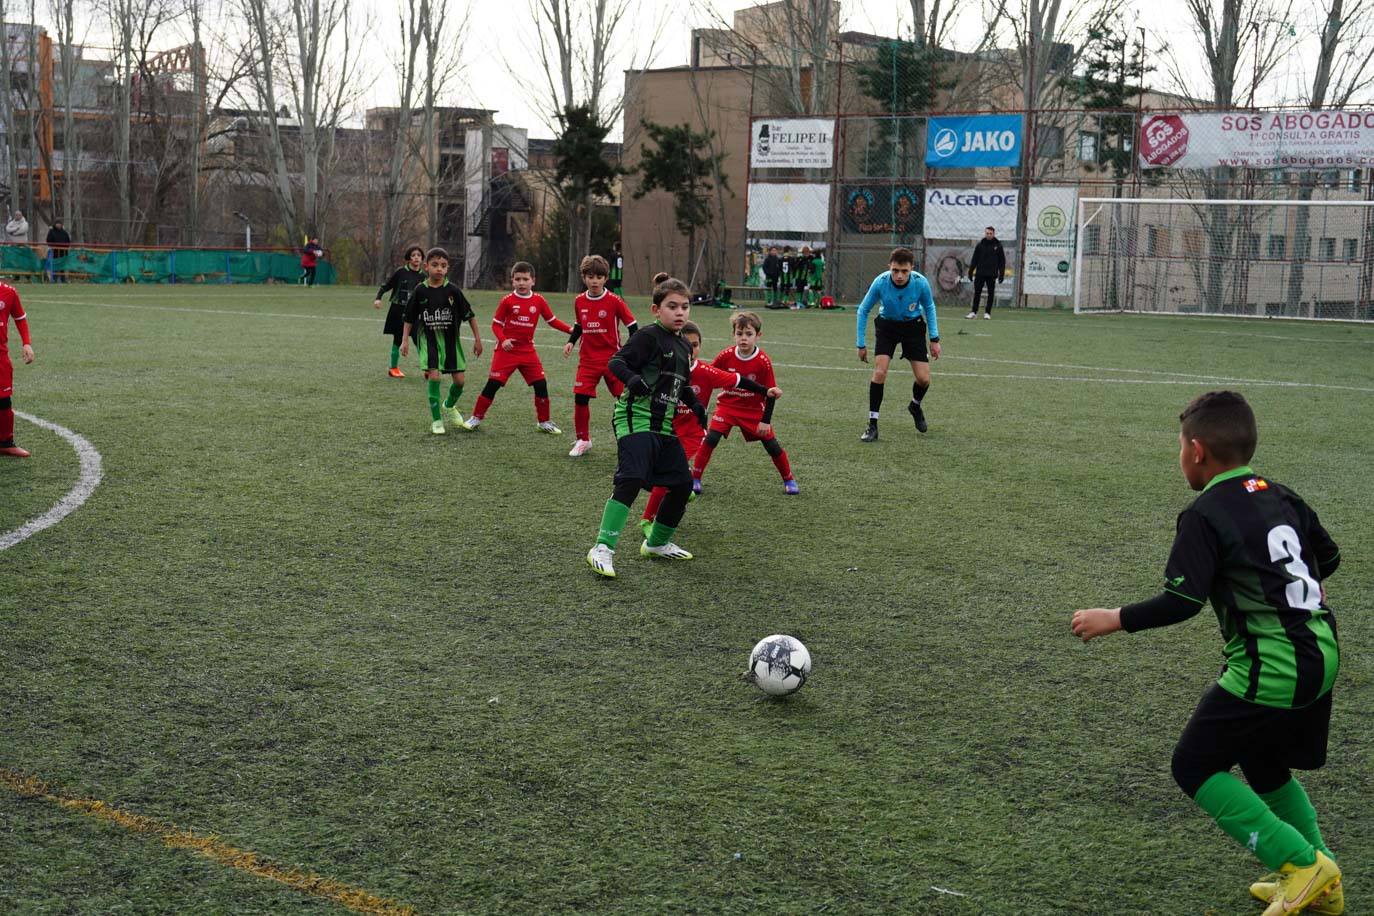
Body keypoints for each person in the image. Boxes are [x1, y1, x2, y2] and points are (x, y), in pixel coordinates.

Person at [1071, 391, 1343, 916]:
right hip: (1321, 652)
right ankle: (1322, 877)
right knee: (1263, 763)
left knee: (1193, 765)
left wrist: (1114, 618)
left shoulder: (1204, 513)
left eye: (1178, 447)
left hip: (1273, 664)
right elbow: (1326, 559)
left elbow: (1182, 601)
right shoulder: (1282, 494)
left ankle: (1302, 865)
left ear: (1196, 451)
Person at [585, 274, 708, 579]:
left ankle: (656, 543)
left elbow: (682, 383)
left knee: (681, 485)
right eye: (672, 306)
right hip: (634, 417)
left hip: (663, 425)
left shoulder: (682, 346)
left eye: (685, 306)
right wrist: (633, 379)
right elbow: (616, 363)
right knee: (632, 477)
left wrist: (694, 405)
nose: (680, 312)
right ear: (656, 310)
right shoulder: (648, 336)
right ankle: (602, 547)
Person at [638, 315, 781, 535]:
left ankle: (647, 520)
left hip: (690, 435)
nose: (689, 350)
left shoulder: (705, 372)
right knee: (657, 474)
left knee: (665, 475)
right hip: (663, 430)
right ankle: (684, 487)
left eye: (694, 345)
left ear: (700, 347)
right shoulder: (662, 370)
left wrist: (766, 391)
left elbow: (738, 380)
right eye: (684, 344)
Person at [691, 311, 797, 495]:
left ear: (758, 336)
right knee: (711, 438)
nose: (743, 339)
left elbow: (771, 392)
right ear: (733, 335)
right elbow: (709, 376)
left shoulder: (763, 362)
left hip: (753, 409)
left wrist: (765, 421)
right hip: (727, 407)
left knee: (771, 445)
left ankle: (789, 479)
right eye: (739, 334)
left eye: (749, 334)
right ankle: (695, 477)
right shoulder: (725, 355)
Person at [462, 261, 571, 434]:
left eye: (525, 279)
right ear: (512, 281)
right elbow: (496, 325)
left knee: (541, 384)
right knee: (493, 384)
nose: (521, 283)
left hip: (528, 351)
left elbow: (552, 320)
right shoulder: (507, 301)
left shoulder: (539, 300)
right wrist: (503, 340)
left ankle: (544, 422)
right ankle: (476, 417)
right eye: (518, 279)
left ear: (533, 281)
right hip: (506, 351)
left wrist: (571, 330)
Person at [855, 247, 940, 443]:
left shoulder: (920, 283)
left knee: (924, 379)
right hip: (887, 327)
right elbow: (863, 310)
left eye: (904, 271)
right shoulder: (881, 282)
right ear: (889, 268)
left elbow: (929, 307)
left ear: (912, 268)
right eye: (895, 270)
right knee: (879, 372)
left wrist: (934, 339)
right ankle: (872, 425)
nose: (899, 276)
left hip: (913, 327)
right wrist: (861, 344)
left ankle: (915, 406)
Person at [399, 247, 484, 435]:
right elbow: (409, 318)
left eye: (443, 266)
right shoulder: (420, 290)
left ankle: (448, 405)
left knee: (460, 382)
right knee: (434, 376)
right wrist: (405, 340)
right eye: (435, 265)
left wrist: (478, 340)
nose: (439, 269)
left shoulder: (453, 290)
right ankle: (437, 420)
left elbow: (470, 316)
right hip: (428, 340)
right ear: (426, 267)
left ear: (447, 269)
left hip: (451, 342)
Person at [563, 254, 639, 457]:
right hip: (587, 360)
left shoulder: (615, 301)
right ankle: (583, 440)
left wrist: (629, 354)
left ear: (605, 278)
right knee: (580, 398)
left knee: (624, 399)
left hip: (613, 360)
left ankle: (632, 438)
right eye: (590, 276)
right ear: (584, 278)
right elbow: (579, 324)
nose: (594, 281)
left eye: (599, 277)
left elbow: (633, 327)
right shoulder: (579, 301)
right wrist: (571, 341)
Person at [374, 245, 425, 378]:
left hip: (415, 313)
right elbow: (387, 285)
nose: (416, 258)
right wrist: (378, 298)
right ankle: (393, 368)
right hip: (398, 310)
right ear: (408, 258)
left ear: (422, 259)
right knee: (397, 339)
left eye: (419, 256)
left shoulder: (424, 276)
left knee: (418, 339)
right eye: (413, 255)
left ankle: (427, 368)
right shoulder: (400, 272)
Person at [0, 281, 35, 457]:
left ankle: (5, 442)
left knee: (4, 400)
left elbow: (20, 318)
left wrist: (26, 343)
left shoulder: (9, 292)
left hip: (1, 356)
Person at [967, 226, 1005, 319]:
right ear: (985, 234)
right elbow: (974, 259)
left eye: (990, 233)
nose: (988, 235)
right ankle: (973, 312)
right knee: (977, 293)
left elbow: (1002, 261)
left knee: (991, 293)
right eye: (987, 233)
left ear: (993, 234)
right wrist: (971, 271)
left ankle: (987, 313)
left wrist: (1001, 274)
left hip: (992, 274)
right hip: (980, 273)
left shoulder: (998, 246)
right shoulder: (980, 245)